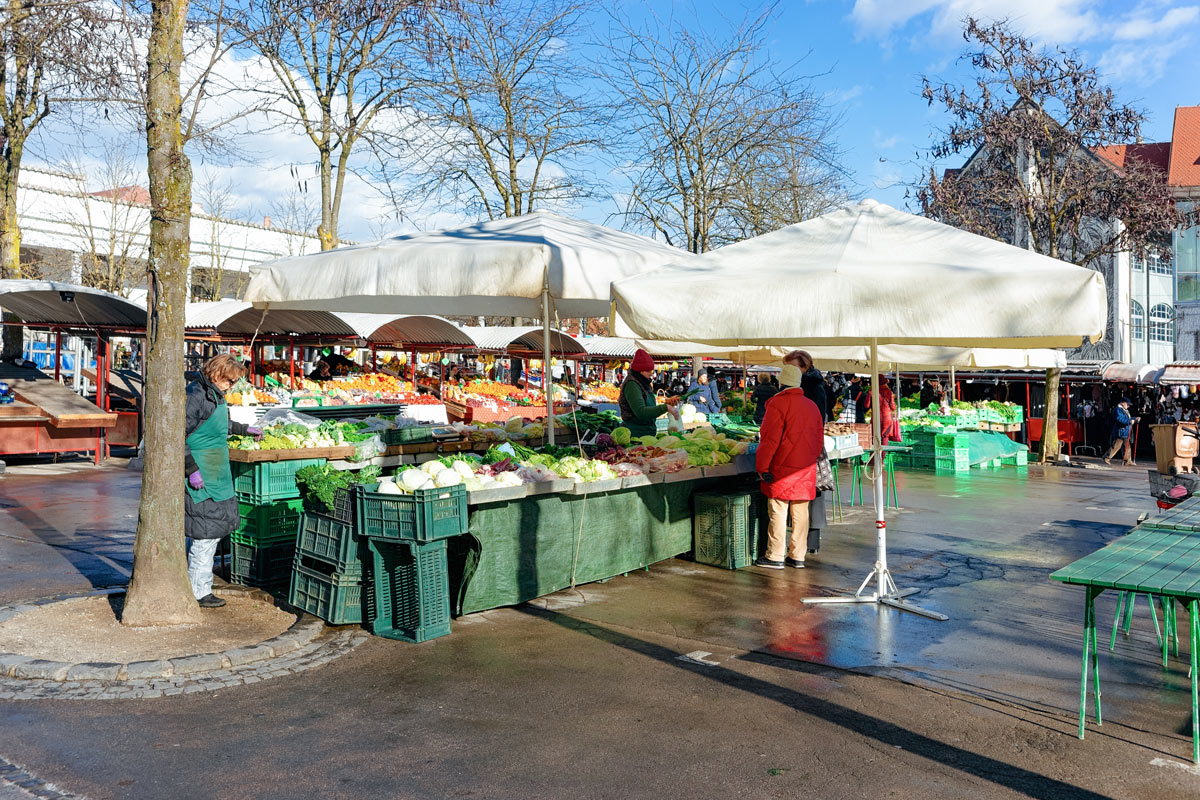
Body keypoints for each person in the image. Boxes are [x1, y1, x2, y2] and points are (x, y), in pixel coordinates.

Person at [185, 354, 262, 608]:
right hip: (202, 473)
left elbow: (218, 424)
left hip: (217, 471)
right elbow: (178, 433)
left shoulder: (213, 394)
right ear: (217, 374)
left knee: (210, 532)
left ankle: (196, 584)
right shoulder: (195, 394)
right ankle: (199, 591)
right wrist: (191, 468)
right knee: (205, 535)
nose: (231, 386)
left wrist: (243, 429)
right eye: (229, 381)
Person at [754, 363, 825, 569]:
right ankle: (797, 556)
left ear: (781, 381)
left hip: (781, 467)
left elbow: (769, 440)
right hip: (805, 468)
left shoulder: (777, 405)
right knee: (801, 513)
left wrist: (762, 467)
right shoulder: (811, 406)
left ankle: (775, 555)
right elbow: (818, 441)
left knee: (778, 510)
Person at [619, 349, 679, 437]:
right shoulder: (632, 385)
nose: (651, 374)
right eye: (648, 371)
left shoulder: (643, 382)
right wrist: (665, 408)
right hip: (635, 434)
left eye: (651, 370)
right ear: (640, 371)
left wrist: (668, 402)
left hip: (646, 433)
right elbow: (641, 411)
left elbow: (649, 406)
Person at [783, 350, 828, 422]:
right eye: (787, 367)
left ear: (805, 366)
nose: (789, 370)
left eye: (793, 367)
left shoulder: (814, 385)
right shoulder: (790, 383)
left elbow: (819, 415)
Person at [1104, 398, 1138, 466]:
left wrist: (1135, 419)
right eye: (1128, 404)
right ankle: (1106, 457)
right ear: (1123, 403)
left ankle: (1128, 460)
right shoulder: (1118, 409)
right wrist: (1129, 421)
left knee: (1127, 446)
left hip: (1125, 430)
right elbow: (1119, 419)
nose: (1128, 406)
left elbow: (1126, 418)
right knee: (1116, 445)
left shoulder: (1123, 410)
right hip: (1121, 430)